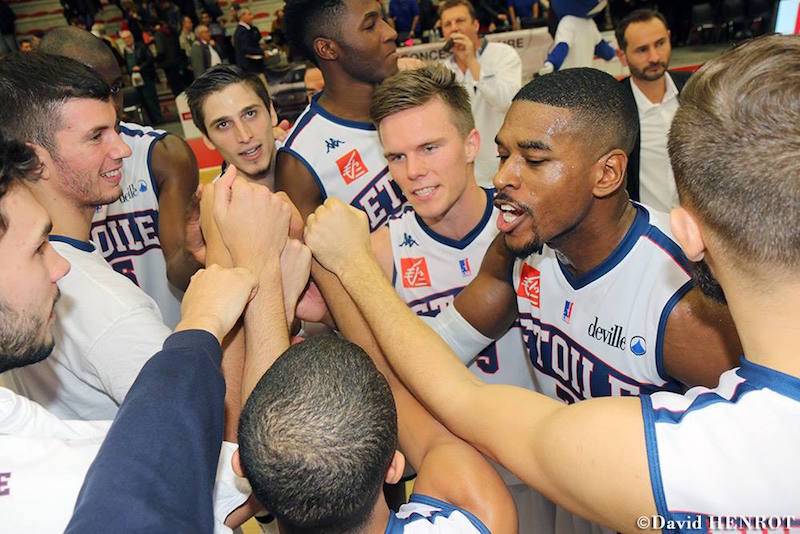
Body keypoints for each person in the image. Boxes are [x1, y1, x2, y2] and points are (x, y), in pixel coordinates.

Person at [304, 34, 800, 530]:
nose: (504, 177)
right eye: (503, 155)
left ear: (606, 174)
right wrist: (338, 297)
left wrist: (354, 265)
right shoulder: (520, 248)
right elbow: (436, 352)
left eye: (534, 160)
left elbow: (752, 461)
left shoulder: (682, 305)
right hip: (568, 505)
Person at [0, 132, 256, 532]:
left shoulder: (14, 418)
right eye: (37, 248)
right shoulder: (108, 306)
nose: (60, 267)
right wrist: (206, 322)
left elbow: (144, 461)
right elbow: (164, 495)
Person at [368, 63, 553, 532]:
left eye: (429, 148)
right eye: (396, 157)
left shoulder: (532, 226)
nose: (413, 172)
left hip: (548, 467)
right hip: (459, 485)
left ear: (472, 144)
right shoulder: (381, 251)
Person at [0, 52, 171, 420]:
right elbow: (213, 430)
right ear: (36, 159)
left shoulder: (19, 272)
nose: (122, 149)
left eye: (116, 129)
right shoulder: (109, 307)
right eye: (96, 137)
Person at [236, 335, 516, 533]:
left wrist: (265, 285)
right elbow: (397, 383)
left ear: (241, 467)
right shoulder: (476, 519)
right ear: (394, 468)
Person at [40, 27, 202, 329]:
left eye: (115, 88)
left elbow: (181, 271)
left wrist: (197, 253)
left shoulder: (161, 155)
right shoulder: (28, 171)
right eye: (92, 92)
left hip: (169, 335)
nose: (112, 105)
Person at [278, 0, 406, 232]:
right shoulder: (301, 162)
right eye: (370, 26)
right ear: (327, 49)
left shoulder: (415, 100)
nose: (390, 32)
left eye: (383, 19)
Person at [440, 0, 522, 187]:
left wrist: (472, 61)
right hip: (464, 173)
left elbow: (506, 102)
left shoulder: (503, 55)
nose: (454, 28)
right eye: (447, 24)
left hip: (502, 165)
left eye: (460, 21)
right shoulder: (442, 72)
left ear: (475, 25)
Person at [616, 9, 691, 213]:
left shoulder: (696, 90)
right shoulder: (614, 108)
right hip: (647, 227)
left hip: (699, 224)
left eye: (660, 43)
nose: (654, 57)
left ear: (669, 38)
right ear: (622, 56)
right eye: (642, 50)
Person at [186, 65, 277, 189]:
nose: (245, 136)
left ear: (271, 112)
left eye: (250, 114)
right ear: (207, 138)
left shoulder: (303, 152)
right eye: (223, 125)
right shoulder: (216, 201)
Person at [120, 29, 164, 125]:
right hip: (135, 79)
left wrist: (140, 67)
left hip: (146, 76)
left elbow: (150, 59)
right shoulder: (125, 51)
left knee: (151, 99)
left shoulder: (141, 47)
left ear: (132, 37)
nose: (127, 40)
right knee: (143, 100)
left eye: (128, 37)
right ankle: (151, 121)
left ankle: (158, 119)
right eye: (124, 38)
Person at [234, 8, 265, 75]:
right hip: (249, 66)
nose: (252, 17)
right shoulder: (242, 31)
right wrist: (262, 52)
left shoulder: (250, 29)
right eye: (249, 14)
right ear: (242, 16)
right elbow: (246, 48)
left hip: (253, 64)